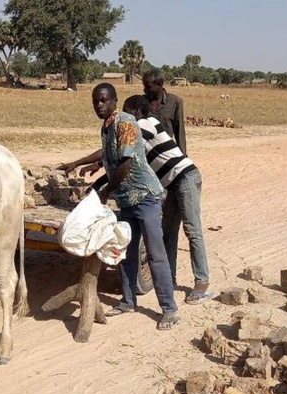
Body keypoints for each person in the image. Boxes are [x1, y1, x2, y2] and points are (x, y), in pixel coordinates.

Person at [80, 95, 213, 304]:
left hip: (185, 177)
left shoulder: (145, 124)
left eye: (125, 111)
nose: (122, 117)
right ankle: (169, 279)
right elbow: (122, 159)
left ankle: (201, 283)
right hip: (169, 183)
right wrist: (98, 176)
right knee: (168, 233)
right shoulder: (135, 127)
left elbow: (120, 152)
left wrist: (92, 172)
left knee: (192, 230)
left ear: (135, 112)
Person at [85, 82, 179, 330]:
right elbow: (110, 163)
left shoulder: (125, 122)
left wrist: (106, 191)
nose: (99, 105)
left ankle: (169, 309)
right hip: (127, 199)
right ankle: (128, 301)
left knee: (156, 254)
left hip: (145, 197)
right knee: (125, 252)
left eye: (104, 100)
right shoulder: (106, 129)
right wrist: (96, 184)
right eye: (95, 101)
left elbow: (125, 164)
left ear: (115, 101)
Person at [142, 68, 187, 155]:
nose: (145, 90)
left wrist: (183, 156)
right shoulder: (141, 102)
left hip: (166, 153)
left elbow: (179, 131)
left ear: (160, 85)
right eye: (144, 87)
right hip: (146, 154)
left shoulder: (175, 102)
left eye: (149, 87)